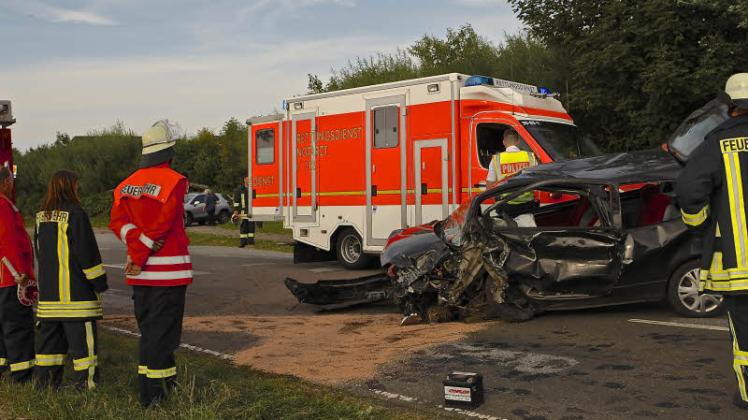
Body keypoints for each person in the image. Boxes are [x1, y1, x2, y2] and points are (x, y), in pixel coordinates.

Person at [676, 73, 748, 410]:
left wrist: (703, 228)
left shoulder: (716, 144)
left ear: (731, 106)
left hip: (739, 264)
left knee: (745, 334)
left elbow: (689, 193)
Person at [108, 120, 192, 407]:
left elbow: (116, 223)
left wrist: (134, 248)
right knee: (164, 338)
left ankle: (153, 386)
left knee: (149, 335)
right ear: (169, 153)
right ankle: (156, 399)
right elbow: (164, 224)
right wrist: (143, 251)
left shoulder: (125, 186)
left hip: (140, 276)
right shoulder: (174, 181)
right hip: (168, 274)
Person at [34, 170, 108, 390]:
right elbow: (87, 253)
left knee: (50, 350)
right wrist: (99, 282)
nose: (78, 188)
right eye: (76, 185)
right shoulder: (76, 213)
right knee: (84, 350)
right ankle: (87, 387)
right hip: (76, 300)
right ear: (69, 186)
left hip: (49, 302)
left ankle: (45, 387)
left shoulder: (41, 216)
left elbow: (40, 254)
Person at [0, 166, 35, 383]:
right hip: (10, 277)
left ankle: (4, 365)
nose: (13, 184)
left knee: (2, 326)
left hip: (2, 276)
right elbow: (9, 240)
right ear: (5, 182)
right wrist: (20, 272)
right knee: (17, 325)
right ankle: (22, 374)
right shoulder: (3, 205)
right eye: (11, 180)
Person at [486, 129, 538, 218]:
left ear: (503, 142)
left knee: (508, 231)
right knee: (527, 231)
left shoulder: (497, 159)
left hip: (506, 207)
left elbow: (489, 186)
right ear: (518, 142)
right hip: (527, 206)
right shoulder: (530, 157)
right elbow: (538, 180)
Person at [233, 177, 255, 247]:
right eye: (247, 179)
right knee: (243, 226)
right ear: (244, 180)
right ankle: (243, 242)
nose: (249, 181)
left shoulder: (253, 189)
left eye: (250, 179)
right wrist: (236, 210)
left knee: (251, 226)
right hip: (242, 211)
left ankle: (250, 241)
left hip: (251, 210)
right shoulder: (239, 190)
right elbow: (236, 201)